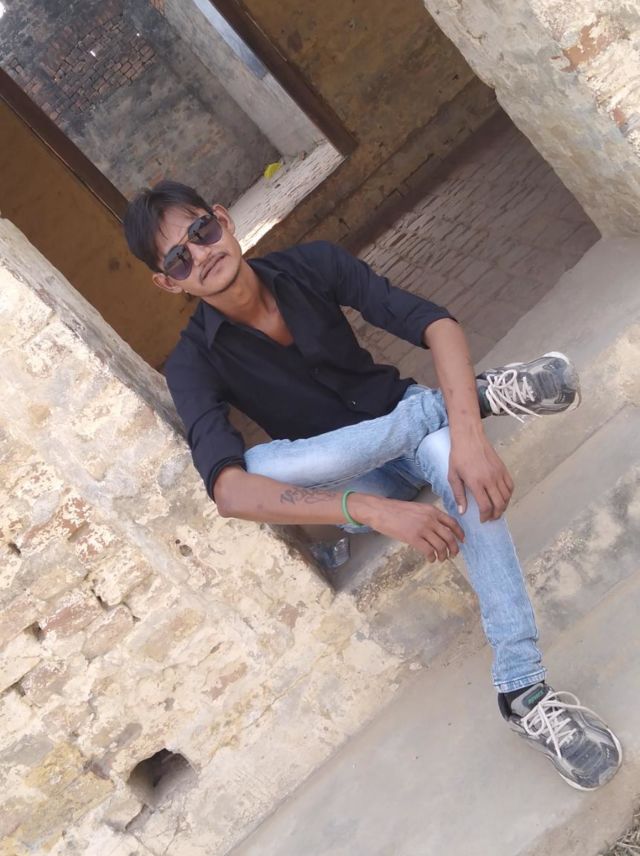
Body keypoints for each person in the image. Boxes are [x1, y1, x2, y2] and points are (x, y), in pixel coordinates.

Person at [124, 180, 622, 791]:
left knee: (451, 461)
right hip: (353, 474)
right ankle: (473, 396)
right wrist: (365, 508)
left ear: (222, 219)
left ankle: (522, 692)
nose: (201, 254)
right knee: (253, 466)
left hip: (411, 429)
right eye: (179, 259)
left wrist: (468, 437)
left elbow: (435, 323)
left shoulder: (313, 264)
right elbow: (229, 494)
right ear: (168, 283)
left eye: (201, 232)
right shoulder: (191, 363)